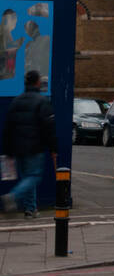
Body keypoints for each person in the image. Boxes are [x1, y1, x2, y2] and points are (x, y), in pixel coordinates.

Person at [1, 69, 57, 217]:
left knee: (27, 178)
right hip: (34, 147)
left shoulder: (16, 101)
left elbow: (7, 127)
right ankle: (13, 196)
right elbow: (49, 127)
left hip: (17, 148)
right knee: (34, 177)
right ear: (38, 82)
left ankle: (30, 209)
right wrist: (53, 149)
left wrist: (7, 150)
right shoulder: (42, 101)